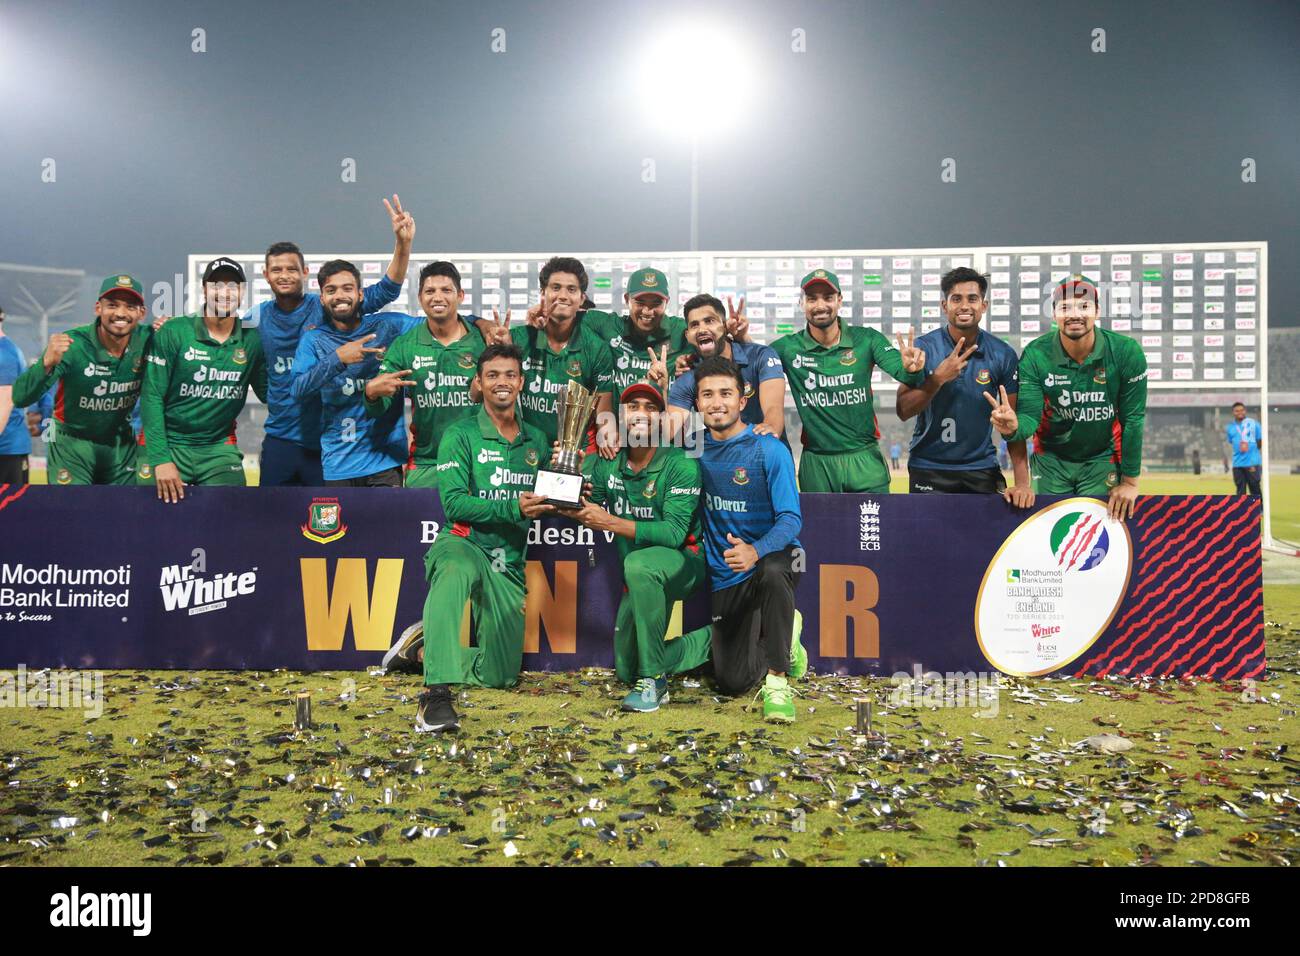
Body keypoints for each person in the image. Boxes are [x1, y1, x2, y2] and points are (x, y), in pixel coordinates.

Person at [396, 344, 553, 732]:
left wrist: (572, 495)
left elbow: (549, 496)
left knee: (499, 675)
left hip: (509, 561)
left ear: (521, 382)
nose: (502, 382)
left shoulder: (537, 440)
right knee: (453, 572)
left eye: (510, 375)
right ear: (479, 383)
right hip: (464, 542)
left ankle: (423, 649)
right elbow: (455, 505)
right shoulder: (460, 434)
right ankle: (435, 697)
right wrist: (513, 509)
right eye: (493, 375)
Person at [553, 382, 710, 712]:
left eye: (650, 408)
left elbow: (673, 533)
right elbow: (583, 509)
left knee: (640, 564)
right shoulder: (608, 461)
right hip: (639, 576)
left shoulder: (681, 463)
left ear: (662, 419)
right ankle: (722, 640)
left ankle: (654, 682)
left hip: (684, 563)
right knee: (626, 670)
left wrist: (609, 522)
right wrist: (568, 474)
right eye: (633, 406)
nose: (641, 413)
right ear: (621, 416)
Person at [248, 195, 413, 486]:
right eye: (276, 270)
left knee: (330, 526)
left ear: (305, 274)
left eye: (291, 269)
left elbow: (387, 290)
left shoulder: (326, 306)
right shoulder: (256, 317)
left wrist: (402, 243)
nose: (284, 276)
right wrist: (175, 324)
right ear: (265, 275)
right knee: (272, 524)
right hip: (282, 436)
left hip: (324, 442)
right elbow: (223, 330)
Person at [687, 355, 805, 723]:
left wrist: (756, 550)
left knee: (772, 569)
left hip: (771, 560)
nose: (716, 402)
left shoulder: (768, 448)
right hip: (726, 574)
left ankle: (779, 682)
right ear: (698, 404)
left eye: (725, 393)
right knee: (732, 681)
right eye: (707, 395)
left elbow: (791, 519)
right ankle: (787, 633)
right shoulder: (693, 448)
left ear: (742, 401)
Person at [987, 274, 1147, 520]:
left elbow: (1133, 420)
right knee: (1052, 537)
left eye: (1084, 306)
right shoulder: (1036, 354)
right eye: (1065, 307)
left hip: (1102, 457)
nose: (1075, 314)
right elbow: (1030, 416)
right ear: (1054, 314)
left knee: (1095, 539)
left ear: (1097, 311)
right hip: (1051, 460)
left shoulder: (1126, 352)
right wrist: (1014, 427)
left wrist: (1130, 482)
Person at [769, 270, 925, 492]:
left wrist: (913, 369)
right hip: (817, 463)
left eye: (828, 297)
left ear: (839, 301)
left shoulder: (867, 339)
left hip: (863, 458)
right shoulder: (786, 348)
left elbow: (904, 373)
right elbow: (756, 364)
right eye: (812, 299)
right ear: (801, 303)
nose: (820, 305)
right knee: (820, 528)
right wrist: (740, 339)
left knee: (873, 527)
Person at [899, 267, 1033, 506]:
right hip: (928, 467)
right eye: (956, 299)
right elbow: (903, 410)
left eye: (972, 298)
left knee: (987, 543)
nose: (964, 306)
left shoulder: (1002, 354)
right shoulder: (923, 348)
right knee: (929, 543)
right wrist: (937, 379)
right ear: (944, 305)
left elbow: (1010, 426)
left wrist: (1022, 483)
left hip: (981, 468)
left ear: (984, 305)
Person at [140, 258, 267, 502]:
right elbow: (152, 396)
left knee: (232, 518)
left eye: (233, 286)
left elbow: (269, 393)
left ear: (242, 292)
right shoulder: (174, 331)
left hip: (218, 448)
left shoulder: (252, 340)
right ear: (204, 289)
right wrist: (161, 459)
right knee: (152, 528)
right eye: (217, 284)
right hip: (169, 444)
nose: (225, 292)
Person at [10, 275, 151, 485]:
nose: (120, 313)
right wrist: (46, 364)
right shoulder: (72, 344)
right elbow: (20, 397)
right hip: (73, 444)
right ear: (98, 308)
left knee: (124, 514)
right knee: (73, 515)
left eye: (130, 307)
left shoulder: (151, 340)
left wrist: (169, 327)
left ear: (141, 313)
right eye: (112, 305)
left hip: (120, 443)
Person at [289, 260, 419, 486]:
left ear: (360, 295)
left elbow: (440, 326)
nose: (339, 295)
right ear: (322, 299)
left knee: (387, 523)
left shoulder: (388, 326)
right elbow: (297, 390)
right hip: (338, 464)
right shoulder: (313, 340)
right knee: (341, 524)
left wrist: (479, 323)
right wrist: (338, 358)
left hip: (384, 462)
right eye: (331, 290)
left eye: (347, 288)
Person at [480, 257, 615, 461]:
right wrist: (504, 352)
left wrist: (609, 437)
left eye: (571, 289)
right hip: (526, 451)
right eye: (555, 287)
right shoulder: (517, 339)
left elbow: (603, 413)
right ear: (543, 293)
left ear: (581, 298)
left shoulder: (596, 348)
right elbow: (479, 395)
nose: (562, 295)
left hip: (576, 455)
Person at [364, 261, 485, 488]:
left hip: (479, 460)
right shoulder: (404, 345)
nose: (437, 297)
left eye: (446, 290)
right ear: (420, 298)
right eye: (430, 291)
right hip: (428, 463)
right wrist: (371, 394)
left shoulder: (483, 340)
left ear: (460, 296)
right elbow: (380, 406)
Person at [666, 294, 786, 441]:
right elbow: (671, 434)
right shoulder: (688, 372)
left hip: (764, 450)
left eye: (709, 321)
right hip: (721, 457)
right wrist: (660, 387)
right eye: (694, 325)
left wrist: (769, 431)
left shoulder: (761, 356)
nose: (702, 329)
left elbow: (774, 410)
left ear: (725, 327)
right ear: (687, 335)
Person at [0, 304, 33, 485]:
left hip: (6, 450)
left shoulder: (3, 354)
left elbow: (4, 403)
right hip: (8, 448)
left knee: (9, 512)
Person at [1225, 402, 1262, 496]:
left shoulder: (1255, 424)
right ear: (1233, 412)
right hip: (1237, 464)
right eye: (1237, 411)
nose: (1239, 412)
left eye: (1241, 410)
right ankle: (1241, 510)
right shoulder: (1230, 427)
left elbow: (1260, 441)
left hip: (1252, 462)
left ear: (1245, 411)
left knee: (1255, 489)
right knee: (1240, 491)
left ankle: (1259, 510)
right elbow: (1232, 442)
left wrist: (1252, 452)